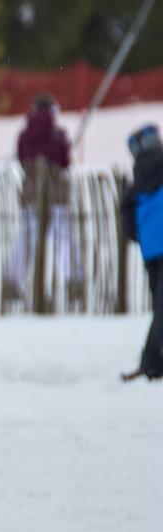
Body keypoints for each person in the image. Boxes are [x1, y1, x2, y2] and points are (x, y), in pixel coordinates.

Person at [6, 94, 83, 304]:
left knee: (26, 240)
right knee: (62, 240)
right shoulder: (58, 134)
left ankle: (13, 281)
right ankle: (73, 281)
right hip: (56, 194)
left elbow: (22, 158)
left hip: (31, 194)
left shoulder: (24, 134)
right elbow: (65, 162)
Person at [120, 124, 163, 381]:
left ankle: (152, 361)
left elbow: (128, 225)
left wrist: (146, 238)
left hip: (152, 251)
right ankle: (152, 363)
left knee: (159, 305)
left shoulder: (135, 186)